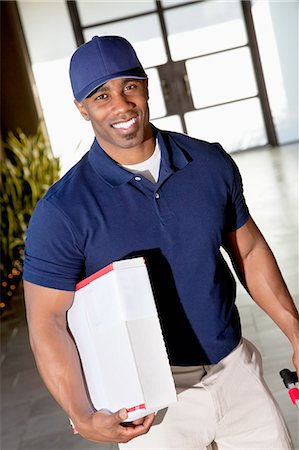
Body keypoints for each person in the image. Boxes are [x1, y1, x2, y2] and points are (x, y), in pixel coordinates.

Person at [23, 35, 298, 449]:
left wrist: (295, 333)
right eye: (101, 95)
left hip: (234, 367)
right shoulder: (62, 211)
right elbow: (47, 321)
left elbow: (251, 250)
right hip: (147, 402)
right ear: (82, 108)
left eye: (129, 86)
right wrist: (82, 413)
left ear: (146, 86)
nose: (121, 105)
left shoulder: (209, 162)